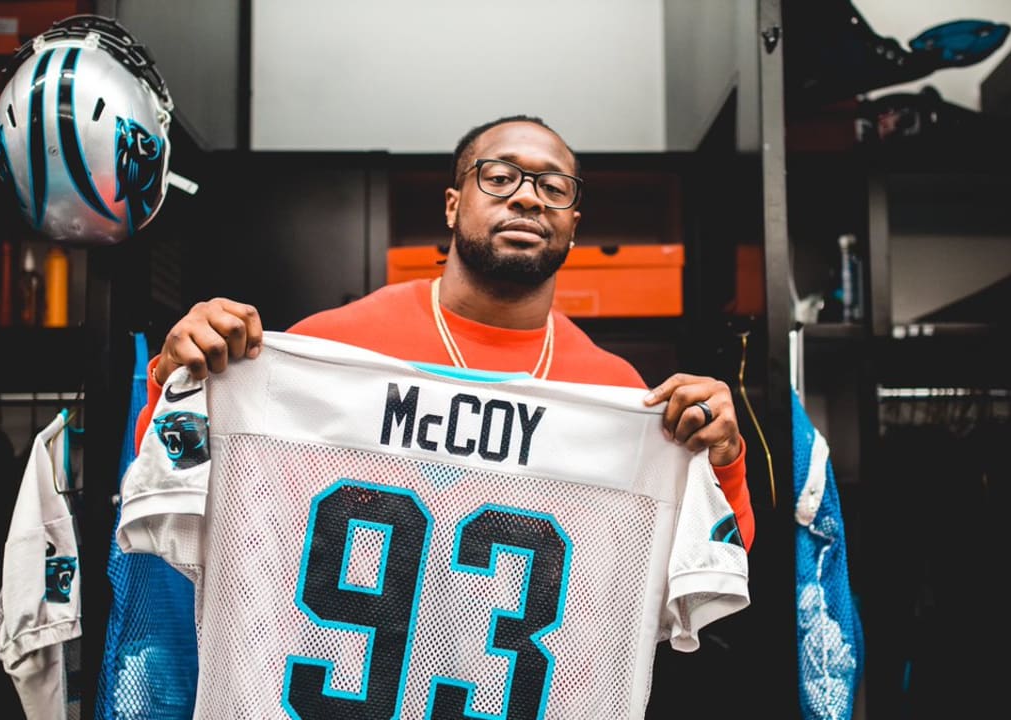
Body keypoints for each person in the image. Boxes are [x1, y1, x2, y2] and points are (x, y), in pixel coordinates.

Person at [135, 114, 753, 549]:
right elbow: (174, 474)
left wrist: (722, 461)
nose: (529, 199)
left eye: (553, 187)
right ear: (454, 205)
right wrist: (179, 375)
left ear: (573, 223)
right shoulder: (331, 348)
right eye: (500, 176)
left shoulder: (617, 393)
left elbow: (704, 559)